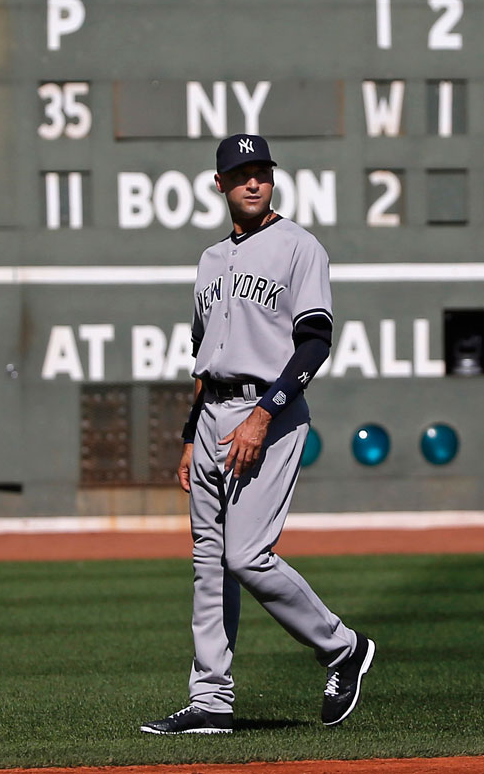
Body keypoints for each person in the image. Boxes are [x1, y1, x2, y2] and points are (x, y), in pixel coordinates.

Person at [141, 134, 375, 735]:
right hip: (215, 413)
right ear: (220, 184)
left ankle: (342, 646)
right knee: (208, 563)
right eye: (241, 172)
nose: (253, 181)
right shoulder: (210, 260)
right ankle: (211, 700)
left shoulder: (299, 247)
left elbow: (316, 341)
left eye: (262, 171)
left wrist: (264, 414)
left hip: (267, 413)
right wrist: (192, 434)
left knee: (246, 555)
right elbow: (203, 357)